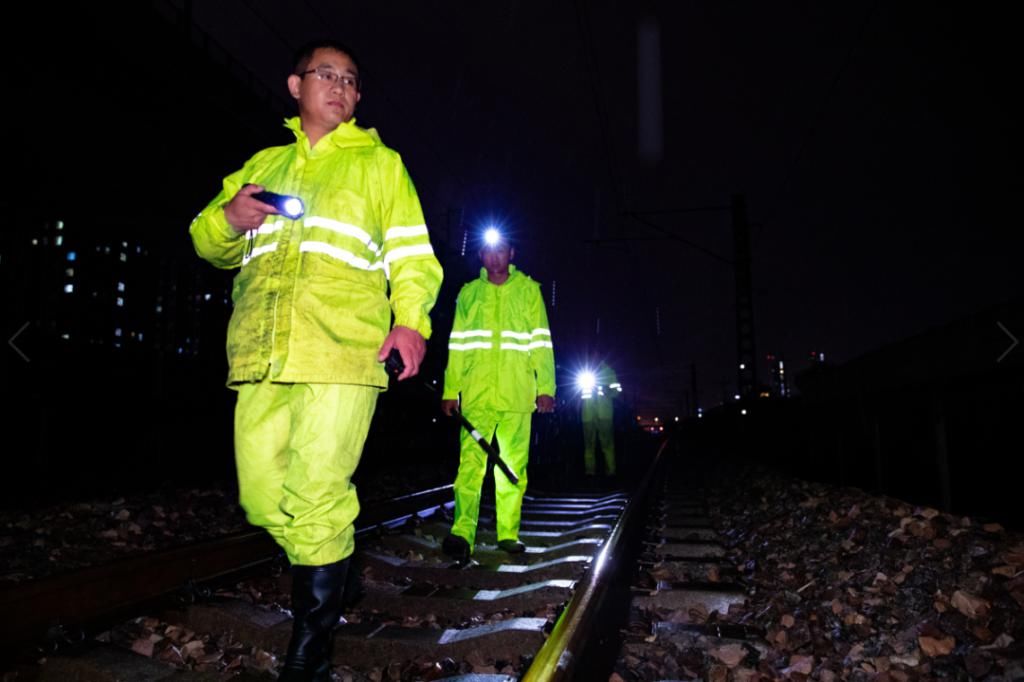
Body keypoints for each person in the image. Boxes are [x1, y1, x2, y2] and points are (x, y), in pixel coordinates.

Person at [189, 40, 442, 682]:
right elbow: (206, 242)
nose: (340, 86)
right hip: (261, 352)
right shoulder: (263, 165)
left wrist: (410, 323)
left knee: (318, 493)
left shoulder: (381, 166)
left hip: (343, 350)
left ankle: (311, 651)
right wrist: (229, 217)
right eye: (325, 75)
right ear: (294, 86)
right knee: (261, 498)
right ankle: (337, 564)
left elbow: (412, 255)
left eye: (351, 80)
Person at [440, 230, 555, 560]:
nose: (494, 257)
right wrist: (451, 390)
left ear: (511, 254)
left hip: (517, 394)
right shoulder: (469, 294)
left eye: (500, 251)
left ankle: (508, 533)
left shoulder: (528, 292)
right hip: (476, 395)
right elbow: (457, 346)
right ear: (481, 257)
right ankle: (462, 534)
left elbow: (542, 343)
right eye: (488, 251)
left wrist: (546, 388)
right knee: (470, 467)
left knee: (512, 467)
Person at [581, 360, 621, 477]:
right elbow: (577, 392)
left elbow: (617, 391)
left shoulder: (609, 371)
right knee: (589, 445)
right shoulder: (584, 372)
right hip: (588, 414)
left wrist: (607, 390)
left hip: (604, 414)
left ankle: (611, 472)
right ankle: (590, 472)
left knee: (607, 444)